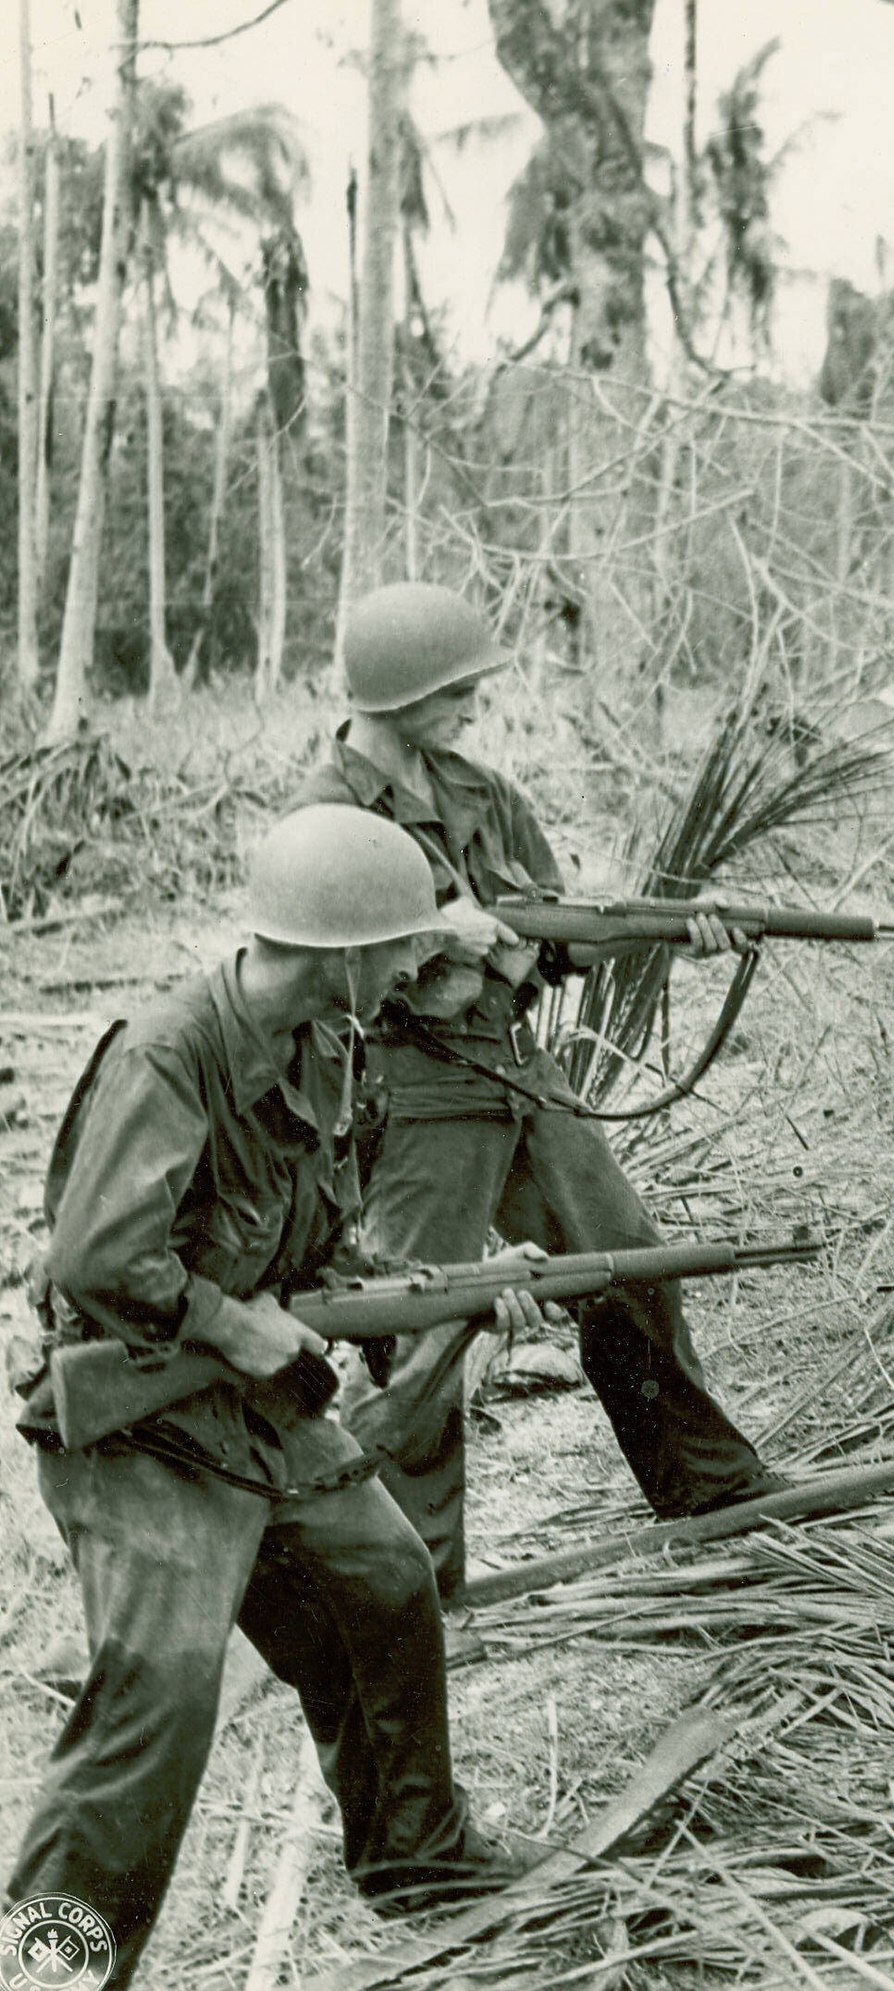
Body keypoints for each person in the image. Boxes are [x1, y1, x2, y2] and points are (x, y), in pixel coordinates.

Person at [7, 806, 532, 1989]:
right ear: (341, 949)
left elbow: (319, 1259)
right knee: (161, 1696)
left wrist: (456, 1292)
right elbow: (100, 1260)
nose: (414, 967)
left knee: (388, 1580)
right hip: (141, 1417)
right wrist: (234, 1321)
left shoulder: (328, 1044)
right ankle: (54, 1970)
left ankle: (416, 1859)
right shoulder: (171, 1050)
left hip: (257, 1405)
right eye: (399, 947)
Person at [292, 581, 780, 1611]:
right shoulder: (324, 814)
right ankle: (409, 1580)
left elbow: (558, 927)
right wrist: (437, 934)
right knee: (421, 1325)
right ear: (396, 690)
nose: (475, 702)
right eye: (457, 686)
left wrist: (671, 929)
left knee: (630, 1262)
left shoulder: (481, 792)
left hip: (515, 1067)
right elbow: (315, 970)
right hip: (409, 1085)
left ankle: (706, 1487)